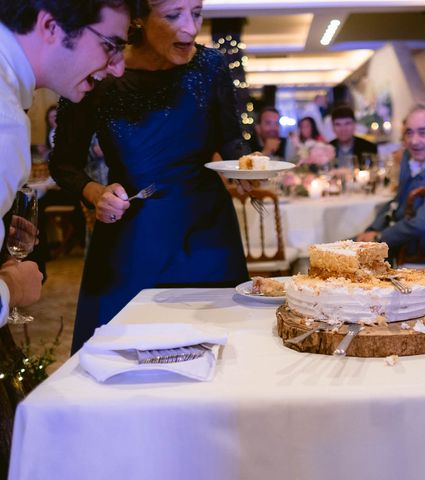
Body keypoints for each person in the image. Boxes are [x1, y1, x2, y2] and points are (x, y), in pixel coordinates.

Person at [50, 0, 250, 354]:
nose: (190, 27)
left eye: (197, 13)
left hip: (208, 229)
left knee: (219, 343)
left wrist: (246, 166)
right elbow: (64, 163)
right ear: (138, 19)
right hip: (134, 231)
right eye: (173, 15)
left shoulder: (211, 66)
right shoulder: (100, 70)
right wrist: (96, 193)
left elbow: (230, 138)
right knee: (130, 349)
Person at [0, 0, 145, 327]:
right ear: (51, 27)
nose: (118, 67)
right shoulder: (5, 121)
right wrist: (11, 289)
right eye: (111, 45)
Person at [355, 102, 425, 260]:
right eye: (409, 133)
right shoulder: (410, 155)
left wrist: (379, 238)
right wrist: (372, 229)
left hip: (420, 250)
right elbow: (397, 201)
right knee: (334, 250)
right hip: (396, 236)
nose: (414, 141)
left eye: (423, 133)